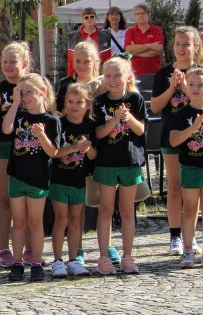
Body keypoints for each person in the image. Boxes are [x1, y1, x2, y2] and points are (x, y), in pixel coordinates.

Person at [0, 73, 63, 283]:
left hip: (38, 177)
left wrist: (42, 135)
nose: (25, 97)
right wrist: (15, 101)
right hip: (17, 175)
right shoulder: (19, 116)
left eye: (28, 93)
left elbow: (53, 152)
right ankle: (17, 263)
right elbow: (6, 128)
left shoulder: (51, 120)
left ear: (41, 92)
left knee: (35, 222)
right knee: (19, 222)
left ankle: (36, 262)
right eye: (21, 92)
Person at [150, 26, 203, 259]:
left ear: (196, 47)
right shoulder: (164, 73)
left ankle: (193, 237)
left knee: (195, 191)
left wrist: (184, 85)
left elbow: (196, 97)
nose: (181, 49)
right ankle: (175, 236)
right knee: (174, 187)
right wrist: (172, 86)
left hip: (197, 139)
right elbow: (154, 107)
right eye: (177, 44)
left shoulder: (200, 73)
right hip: (172, 135)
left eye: (186, 44)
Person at [92, 57, 147, 275]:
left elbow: (141, 130)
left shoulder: (136, 99)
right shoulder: (99, 102)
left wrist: (128, 118)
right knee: (105, 210)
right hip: (106, 162)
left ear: (127, 77)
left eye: (117, 75)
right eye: (108, 76)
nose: (113, 80)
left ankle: (128, 255)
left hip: (129, 161)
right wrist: (114, 121)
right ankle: (104, 256)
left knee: (126, 210)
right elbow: (98, 133)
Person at [0, 42, 31, 269]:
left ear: (24, 63)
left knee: (27, 201)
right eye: (5, 62)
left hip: (29, 147)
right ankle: (4, 248)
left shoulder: (33, 86)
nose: (8, 65)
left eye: (13, 61)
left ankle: (30, 247)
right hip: (3, 147)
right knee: (4, 200)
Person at [50, 83, 97, 278]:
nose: (74, 106)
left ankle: (74, 259)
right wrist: (75, 147)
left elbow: (94, 156)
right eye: (70, 101)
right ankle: (58, 260)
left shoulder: (90, 125)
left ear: (87, 104)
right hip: (60, 178)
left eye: (79, 102)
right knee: (61, 218)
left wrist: (87, 149)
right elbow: (57, 153)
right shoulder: (59, 123)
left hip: (79, 178)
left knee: (76, 220)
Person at [168, 66, 203, 269]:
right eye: (191, 85)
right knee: (189, 208)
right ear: (186, 88)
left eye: (201, 85)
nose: (196, 88)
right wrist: (193, 128)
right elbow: (173, 140)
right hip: (190, 165)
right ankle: (187, 250)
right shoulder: (182, 113)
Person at [56, 40, 102, 113]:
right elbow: (58, 111)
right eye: (78, 61)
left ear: (95, 62)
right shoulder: (65, 85)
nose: (81, 65)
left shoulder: (101, 86)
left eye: (86, 61)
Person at [124, 3, 164, 80]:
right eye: (137, 14)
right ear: (135, 17)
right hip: (134, 74)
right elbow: (128, 50)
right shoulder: (130, 31)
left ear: (148, 15)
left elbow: (158, 50)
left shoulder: (156, 30)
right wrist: (150, 46)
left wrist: (135, 52)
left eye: (143, 13)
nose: (140, 16)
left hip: (154, 73)